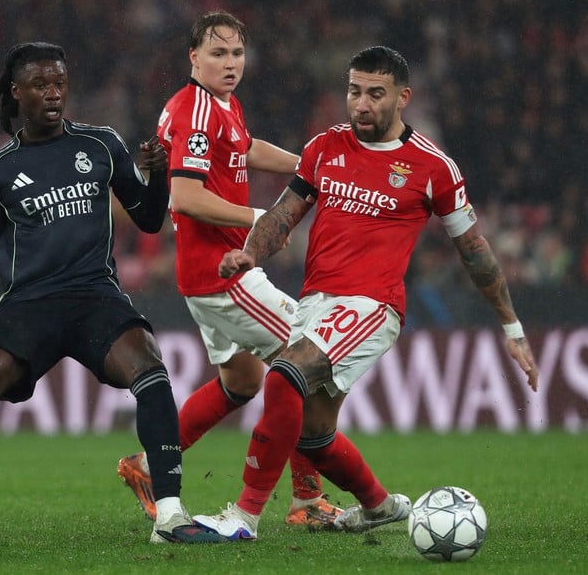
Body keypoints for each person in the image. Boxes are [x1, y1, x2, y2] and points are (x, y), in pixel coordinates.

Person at [0, 42, 227, 549]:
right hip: (30, 304)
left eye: (59, 83)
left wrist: (159, 173)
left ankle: (169, 514)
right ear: (17, 92)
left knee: (149, 367)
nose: (53, 94)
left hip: (95, 295)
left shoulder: (100, 145)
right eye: (40, 85)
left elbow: (146, 217)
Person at [193, 46, 540, 540]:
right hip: (316, 301)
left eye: (376, 94)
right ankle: (379, 507)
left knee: (283, 377)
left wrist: (512, 327)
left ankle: (243, 518)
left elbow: (475, 251)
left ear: (403, 98)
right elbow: (284, 213)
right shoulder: (323, 148)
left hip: (372, 306)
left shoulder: (433, 167)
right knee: (313, 436)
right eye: (354, 91)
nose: (361, 104)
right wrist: (251, 254)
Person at [118, 11, 379, 531]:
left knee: (241, 381)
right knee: (304, 363)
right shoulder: (194, 111)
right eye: (218, 54)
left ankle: (146, 465)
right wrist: (260, 217)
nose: (231, 63)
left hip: (206, 277)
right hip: (224, 277)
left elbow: (245, 148)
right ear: (193, 57)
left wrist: (308, 165)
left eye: (237, 53)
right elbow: (187, 197)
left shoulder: (221, 105)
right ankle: (307, 500)